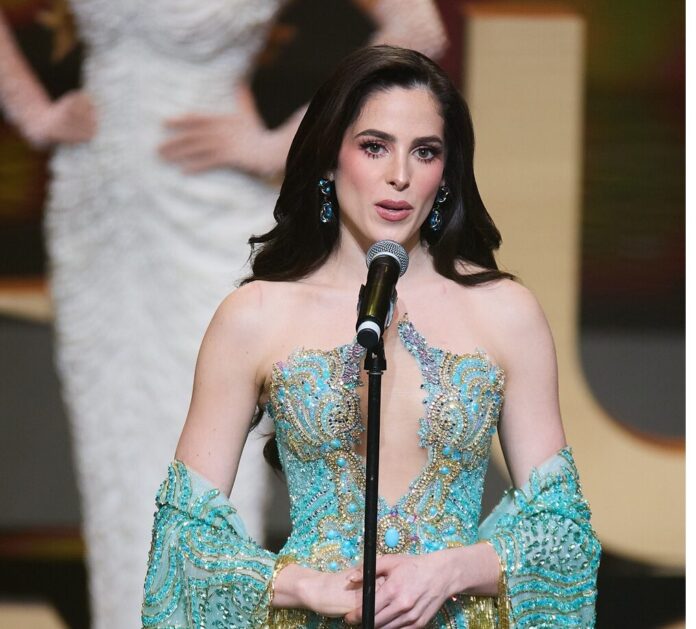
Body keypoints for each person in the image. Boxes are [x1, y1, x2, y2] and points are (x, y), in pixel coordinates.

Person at [0, 4, 446, 628]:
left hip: (210, 207)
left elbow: (419, 25)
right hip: (101, 213)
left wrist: (277, 146)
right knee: (116, 466)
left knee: (218, 462)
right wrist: (36, 116)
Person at [142, 45, 601, 628]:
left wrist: (448, 571)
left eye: (425, 152)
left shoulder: (505, 312)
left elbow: (564, 537)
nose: (400, 175)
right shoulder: (254, 316)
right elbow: (181, 541)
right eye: (374, 146)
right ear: (329, 159)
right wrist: (305, 585)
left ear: (446, 173)